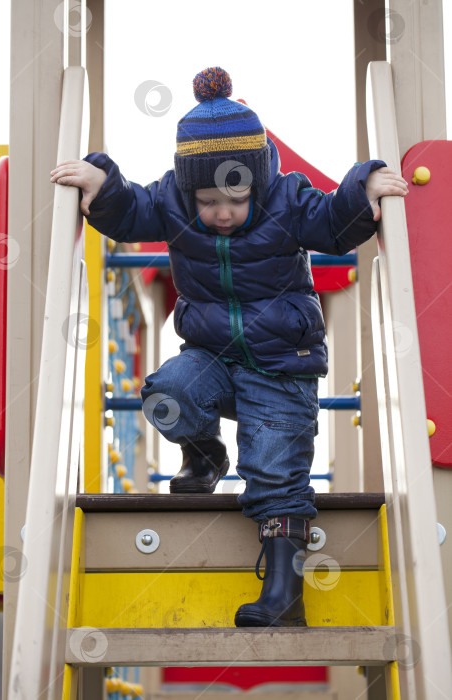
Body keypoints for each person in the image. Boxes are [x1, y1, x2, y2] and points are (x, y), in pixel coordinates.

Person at [51, 67, 408, 628]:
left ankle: (285, 593)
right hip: (211, 358)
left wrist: (361, 191)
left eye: (235, 198)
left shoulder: (287, 201)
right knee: (167, 393)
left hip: (280, 367)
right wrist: (101, 186)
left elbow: (333, 225)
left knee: (272, 470)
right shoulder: (171, 202)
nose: (220, 212)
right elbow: (130, 213)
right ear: (187, 188)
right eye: (207, 199)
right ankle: (206, 452)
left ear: (258, 184)